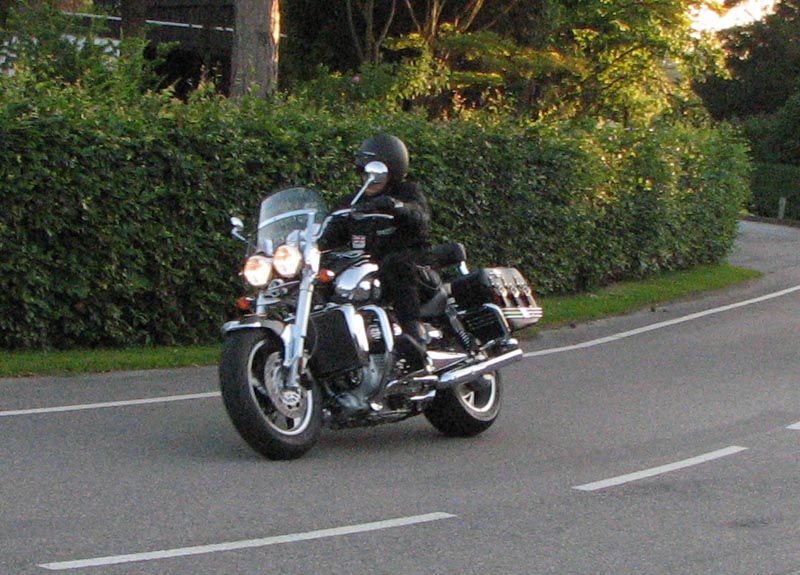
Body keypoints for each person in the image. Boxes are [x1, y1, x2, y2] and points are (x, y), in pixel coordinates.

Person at [320, 133, 432, 371]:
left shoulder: (407, 192)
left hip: (411, 260)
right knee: (325, 276)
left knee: (396, 264)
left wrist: (397, 207)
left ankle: (415, 336)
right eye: (365, 172)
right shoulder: (352, 202)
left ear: (392, 172)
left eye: (376, 173)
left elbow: (419, 215)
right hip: (368, 266)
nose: (369, 179)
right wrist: (309, 243)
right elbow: (330, 235)